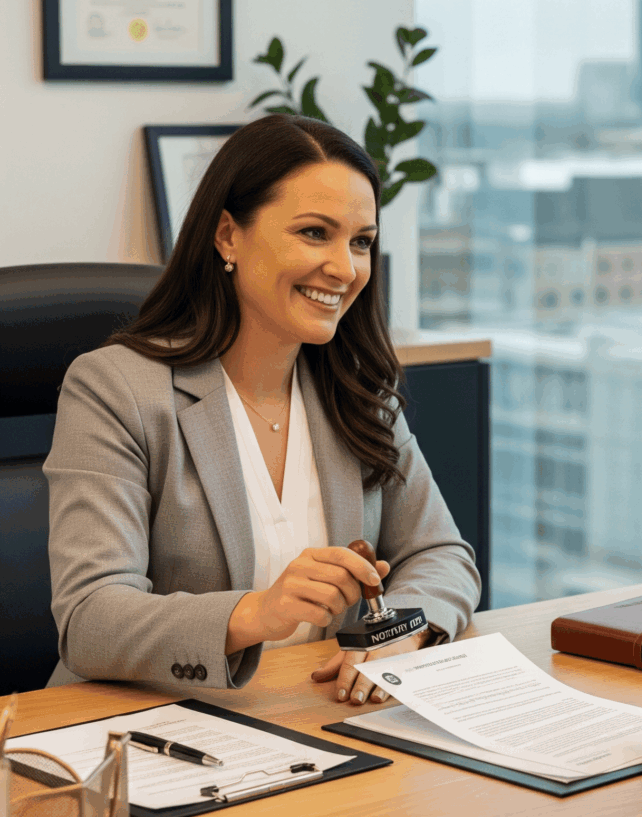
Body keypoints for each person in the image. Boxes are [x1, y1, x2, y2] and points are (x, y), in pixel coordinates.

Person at [45, 115, 481, 705]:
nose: (345, 268)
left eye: (360, 241)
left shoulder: (357, 391)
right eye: (313, 233)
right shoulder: (116, 390)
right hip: (149, 732)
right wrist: (257, 613)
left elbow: (441, 554)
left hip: (316, 719)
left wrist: (402, 634)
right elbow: (89, 617)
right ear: (228, 235)